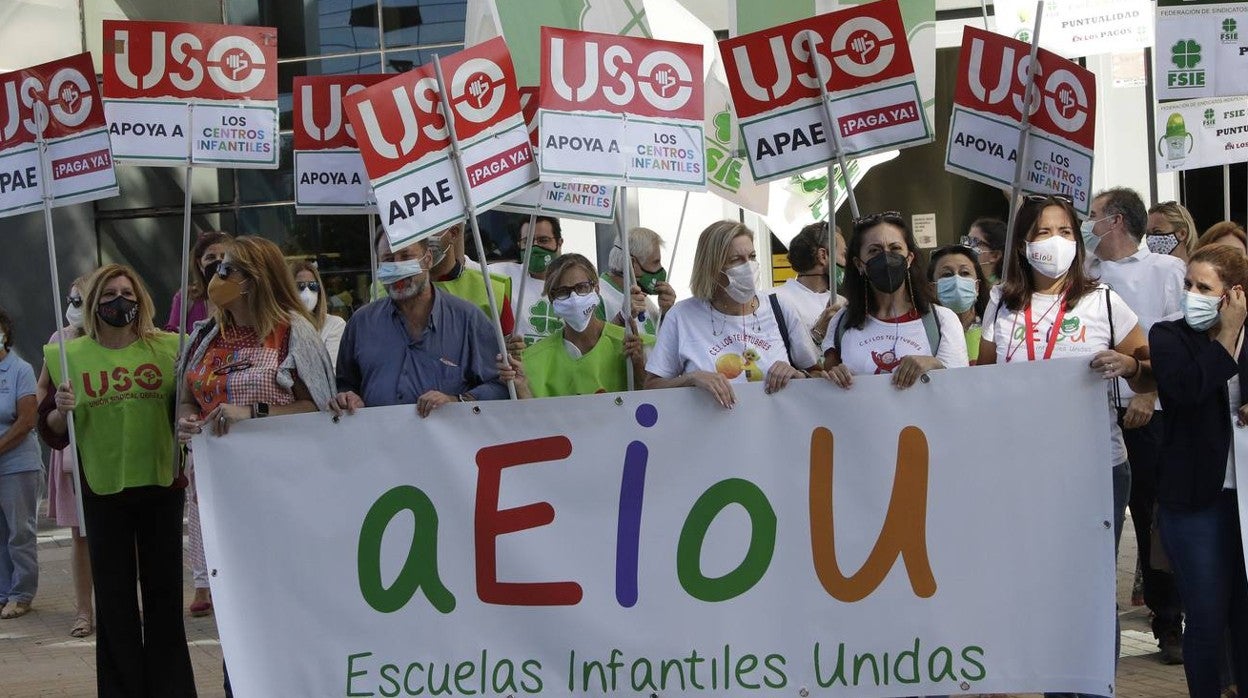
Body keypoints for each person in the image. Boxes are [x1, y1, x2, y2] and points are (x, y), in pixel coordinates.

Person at [978, 196, 1154, 698]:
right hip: (1021, 471)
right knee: (1038, 584)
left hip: (1096, 468)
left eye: (1064, 231)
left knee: (1090, 586)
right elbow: (981, 383)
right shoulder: (1000, 304)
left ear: (1077, 241)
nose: (1054, 242)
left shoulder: (1104, 301)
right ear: (1022, 243)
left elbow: (1150, 373)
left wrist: (1131, 367)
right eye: (1041, 232)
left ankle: (1092, 687)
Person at [37, 264, 197, 697]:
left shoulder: (171, 348)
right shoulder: (67, 355)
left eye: (126, 293)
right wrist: (60, 410)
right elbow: (50, 429)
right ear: (93, 304)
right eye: (108, 295)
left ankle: (171, 689)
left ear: (140, 300)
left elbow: (187, 406)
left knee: (164, 597)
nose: (118, 301)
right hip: (102, 489)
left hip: (161, 484)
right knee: (114, 602)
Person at [1086, 187, 1187, 663]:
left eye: (1093, 215)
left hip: (1145, 412)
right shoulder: (1085, 273)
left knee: (1150, 519)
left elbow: (1176, 339)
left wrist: (1149, 391)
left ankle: (1168, 621)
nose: (1086, 224)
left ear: (1117, 221)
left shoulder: (1165, 271)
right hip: (1092, 413)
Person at [1149, 244, 1248, 698]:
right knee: (1206, 614)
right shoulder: (1169, 336)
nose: (1192, 294)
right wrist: (1226, 335)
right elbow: (1185, 391)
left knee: (1243, 615)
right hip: (1195, 500)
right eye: (1188, 284)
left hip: (1243, 496)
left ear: (1234, 294)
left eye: (1204, 287)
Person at [644, 221, 817, 408]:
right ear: (712, 268)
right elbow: (651, 387)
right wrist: (691, 379)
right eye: (736, 260)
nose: (748, 266)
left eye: (752, 256)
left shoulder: (780, 308)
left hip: (775, 425)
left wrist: (798, 375)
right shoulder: (681, 316)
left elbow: (817, 375)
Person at [333, 232, 507, 416]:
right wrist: (348, 399)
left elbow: (501, 386)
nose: (397, 267)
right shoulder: (361, 324)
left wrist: (458, 400)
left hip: (450, 434)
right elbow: (345, 385)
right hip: (378, 434)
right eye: (388, 260)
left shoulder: (468, 319)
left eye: (406, 257)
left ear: (428, 259)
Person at [823, 212, 968, 389]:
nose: (886, 258)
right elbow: (825, 383)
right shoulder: (841, 322)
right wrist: (834, 375)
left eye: (895, 248)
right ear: (859, 264)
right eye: (874, 251)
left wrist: (934, 364)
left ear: (909, 259)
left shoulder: (943, 320)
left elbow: (960, 388)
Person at [497, 254, 648, 397]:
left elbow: (652, 405)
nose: (574, 298)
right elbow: (533, 415)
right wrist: (522, 390)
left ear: (596, 288)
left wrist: (639, 367)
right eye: (563, 291)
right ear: (552, 298)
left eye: (582, 287)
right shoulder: (531, 363)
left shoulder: (636, 346)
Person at [36, 275, 95, 636]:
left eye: (81, 300)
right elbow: (43, 385)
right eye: (72, 300)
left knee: (126, 535)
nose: (75, 307)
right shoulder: (59, 339)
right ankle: (83, 610)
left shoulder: (116, 337)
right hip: (72, 448)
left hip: (108, 443)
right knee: (80, 535)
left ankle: (122, 603)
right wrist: (52, 411)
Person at [0, 304, 40, 621]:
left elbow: (26, 420)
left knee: (19, 532)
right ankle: (3, 592)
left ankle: (22, 593)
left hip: (18, 464)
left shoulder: (20, 369)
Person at [771, 221, 847, 365]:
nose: (846, 263)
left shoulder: (844, 303)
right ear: (823, 255)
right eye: (843, 255)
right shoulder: (774, 301)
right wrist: (818, 333)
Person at [425, 222, 516, 336]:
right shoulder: (405, 291)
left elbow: (507, 345)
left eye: (431, 228)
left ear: (454, 233)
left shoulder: (492, 293)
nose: (423, 237)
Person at [490, 215, 564, 348]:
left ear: (559, 243)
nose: (534, 246)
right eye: (527, 241)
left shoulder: (574, 283)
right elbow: (463, 266)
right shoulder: (501, 274)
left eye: (543, 240)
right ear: (520, 245)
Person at [600, 227, 676, 340]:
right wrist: (622, 318)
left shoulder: (644, 299)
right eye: (656, 262)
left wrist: (667, 313)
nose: (660, 269)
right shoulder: (599, 297)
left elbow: (662, 344)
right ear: (632, 263)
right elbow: (595, 346)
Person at [927, 243, 990, 365]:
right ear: (932, 288)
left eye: (965, 273)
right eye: (947, 274)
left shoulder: (992, 328)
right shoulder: (925, 332)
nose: (956, 280)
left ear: (977, 286)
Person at [165, 231, 230, 333]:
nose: (218, 262)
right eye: (211, 257)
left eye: (224, 257)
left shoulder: (242, 296)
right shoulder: (186, 297)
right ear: (200, 264)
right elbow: (173, 334)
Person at [291, 260, 347, 370]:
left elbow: (330, 370)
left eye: (312, 286)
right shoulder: (281, 327)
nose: (307, 292)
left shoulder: (334, 325)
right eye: (300, 286)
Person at [963, 217, 1007, 283]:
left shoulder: (1002, 288)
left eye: (974, 242)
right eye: (966, 240)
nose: (966, 246)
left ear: (995, 256)